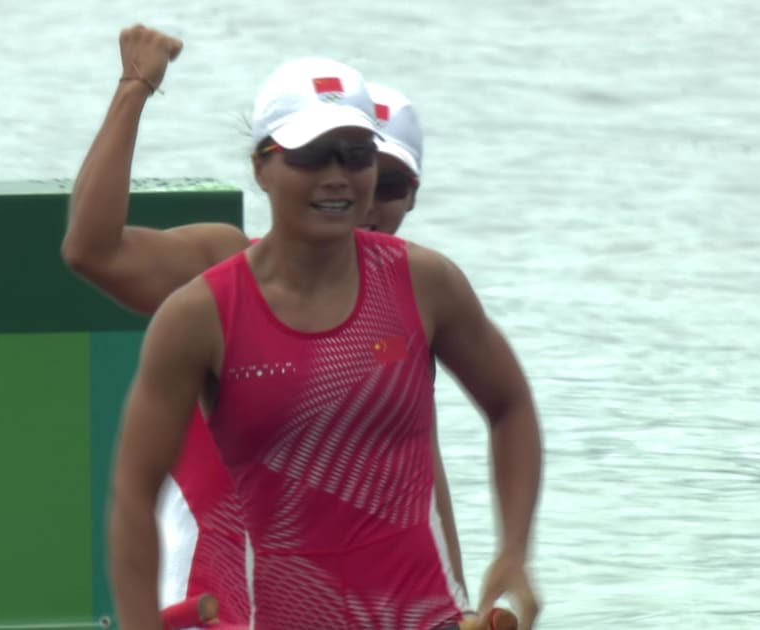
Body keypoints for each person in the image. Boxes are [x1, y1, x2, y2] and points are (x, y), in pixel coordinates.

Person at [96, 25, 543, 630]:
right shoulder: (204, 304)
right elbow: (132, 493)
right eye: (312, 155)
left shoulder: (424, 285)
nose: (341, 179)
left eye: (363, 160)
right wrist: (134, 85)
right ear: (262, 166)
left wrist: (511, 554)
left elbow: (505, 408)